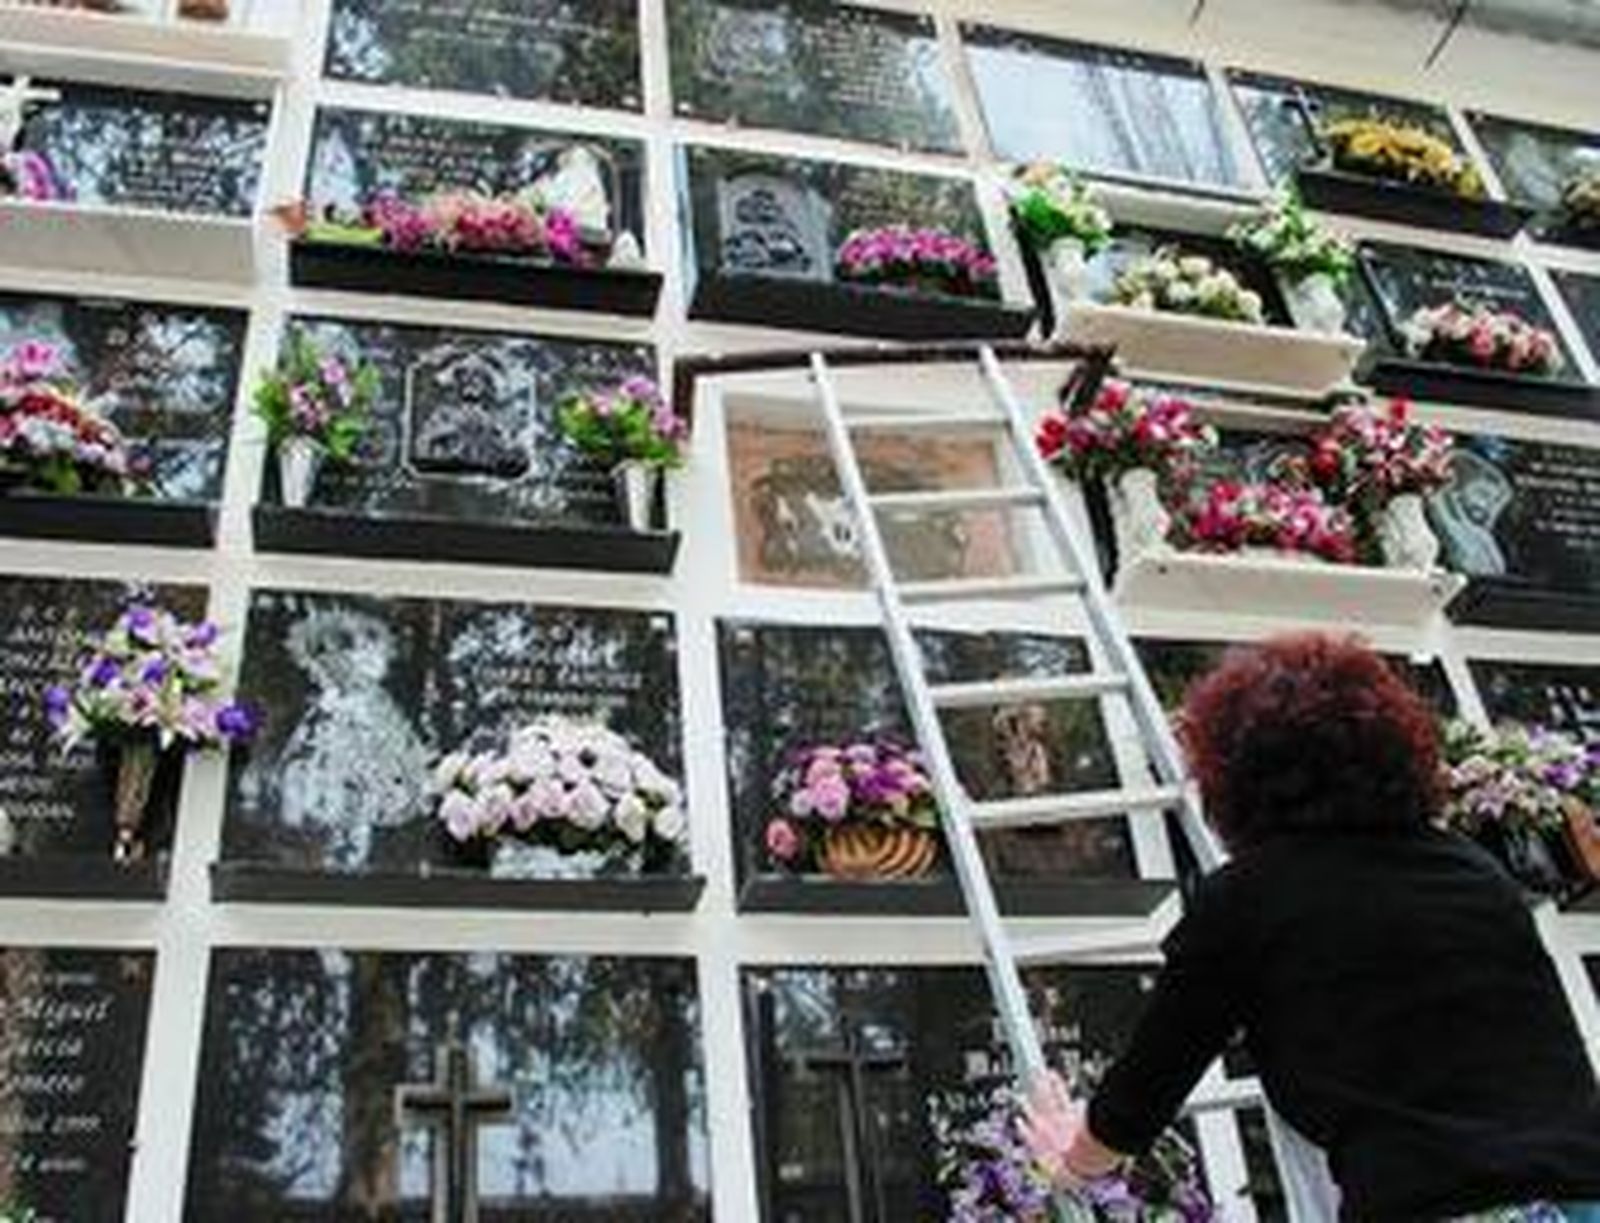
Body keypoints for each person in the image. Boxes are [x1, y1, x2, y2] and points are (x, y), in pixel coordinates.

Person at [1022, 634, 1600, 1222]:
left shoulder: (1248, 899)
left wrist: (1073, 1164)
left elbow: (1146, 1089)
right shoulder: (1473, 870)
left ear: (1234, 773)